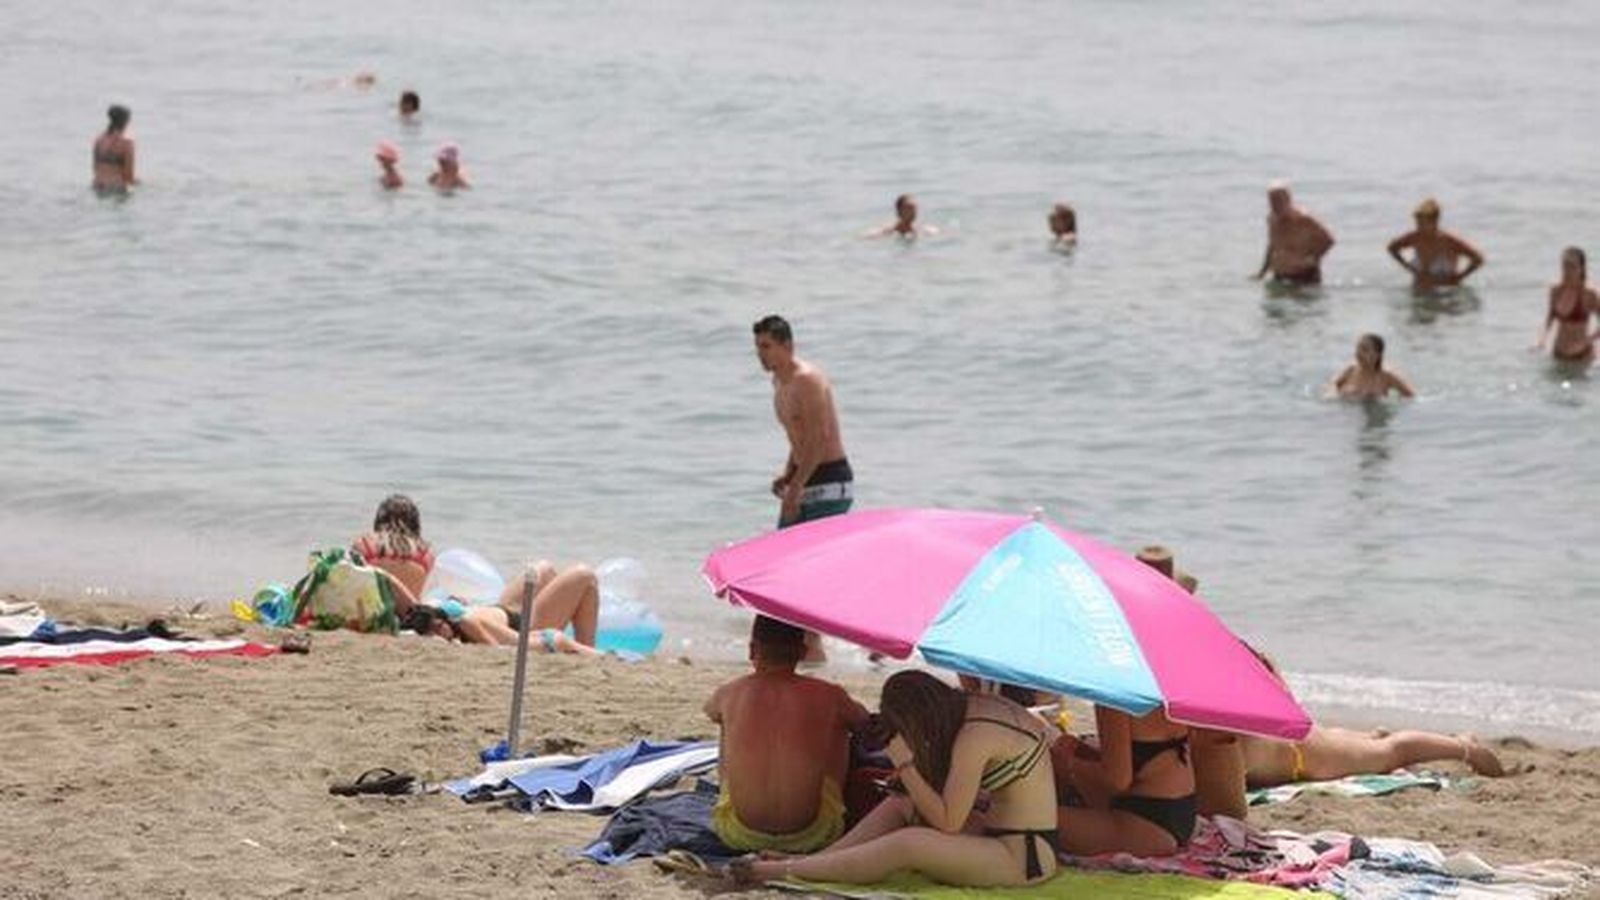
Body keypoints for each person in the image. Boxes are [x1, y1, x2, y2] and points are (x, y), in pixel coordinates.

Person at [729, 670, 1060, 888]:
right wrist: (909, 779)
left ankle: (786, 873)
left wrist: (905, 764)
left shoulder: (975, 736)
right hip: (999, 836)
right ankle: (815, 861)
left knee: (909, 844)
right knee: (902, 802)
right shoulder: (972, 707)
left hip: (1024, 858)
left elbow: (948, 822)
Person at [1049, 547, 1197, 856]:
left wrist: (1067, 764)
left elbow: (1117, 781)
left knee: (1019, 817)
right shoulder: (1177, 663)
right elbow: (1148, 754)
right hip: (1182, 811)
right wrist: (1085, 754)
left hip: (1142, 824)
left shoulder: (1119, 683)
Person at [704, 616, 870, 854]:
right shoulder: (829, 694)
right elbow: (862, 721)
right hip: (817, 833)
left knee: (726, 722)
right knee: (838, 724)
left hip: (737, 833)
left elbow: (711, 711)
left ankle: (737, 797)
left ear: (752, 650)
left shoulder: (730, 692)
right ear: (803, 652)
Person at [350, 495, 599, 653]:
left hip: (494, 614)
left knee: (543, 570)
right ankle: (586, 652)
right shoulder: (422, 551)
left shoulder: (365, 547)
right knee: (584, 577)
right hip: (513, 626)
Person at [1242, 651, 1505, 787]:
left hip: (1304, 754)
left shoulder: (1220, 735)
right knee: (1333, 737)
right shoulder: (1216, 654)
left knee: (1391, 751)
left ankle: (1467, 748)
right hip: (1289, 733)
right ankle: (1367, 735)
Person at [754, 315, 853, 529]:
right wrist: (789, 473)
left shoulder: (807, 380)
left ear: (787, 345)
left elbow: (819, 439)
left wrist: (795, 489)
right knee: (783, 555)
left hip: (829, 479)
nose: (760, 354)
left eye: (766, 346)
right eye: (758, 347)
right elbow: (798, 434)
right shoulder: (779, 381)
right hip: (803, 477)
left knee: (811, 556)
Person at [1386, 198, 1485, 292]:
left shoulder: (1448, 241)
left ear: (1435, 222)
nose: (1419, 227)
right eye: (1417, 223)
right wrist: (1410, 269)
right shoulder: (1415, 237)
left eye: (1423, 223)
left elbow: (1478, 258)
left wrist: (1459, 277)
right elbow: (1392, 248)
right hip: (1418, 293)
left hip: (1446, 295)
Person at [1254, 182, 1335, 285]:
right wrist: (1262, 272)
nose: (1275, 204)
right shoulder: (1272, 219)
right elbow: (1272, 245)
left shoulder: (1304, 219)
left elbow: (1329, 240)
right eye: (1272, 200)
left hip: (1304, 276)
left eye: (1278, 200)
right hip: (1280, 275)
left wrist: (1313, 258)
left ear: (1288, 199)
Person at [1535, 247, 1599, 362]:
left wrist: (1588, 340)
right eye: (1564, 266)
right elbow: (1550, 318)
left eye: (1572, 266)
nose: (1567, 271)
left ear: (1581, 268)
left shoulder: (1589, 294)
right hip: (1558, 353)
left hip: (1581, 355)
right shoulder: (1556, 291)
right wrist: (1541, 340)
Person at [1330, 334, 1416, 399]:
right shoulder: (1350, 370)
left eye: (1365, 349)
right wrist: (1334, 394)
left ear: (1377, 354)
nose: (1358, 353)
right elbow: (1331, 386)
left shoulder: (1387, 376)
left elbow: (1411, 397)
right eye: (1358, 348)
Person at [92, 105, 137, 195]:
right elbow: (128, 177)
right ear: (126, 122)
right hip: (116, 188)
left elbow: (95, 168)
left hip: (97, 185)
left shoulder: (99, 140)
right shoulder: (127, 144)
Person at [867, 194, 938, 239]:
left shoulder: (923, 230)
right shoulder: (887, 231)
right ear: (899, 212)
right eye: (908, 208)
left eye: (914, 208)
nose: (912, 212)